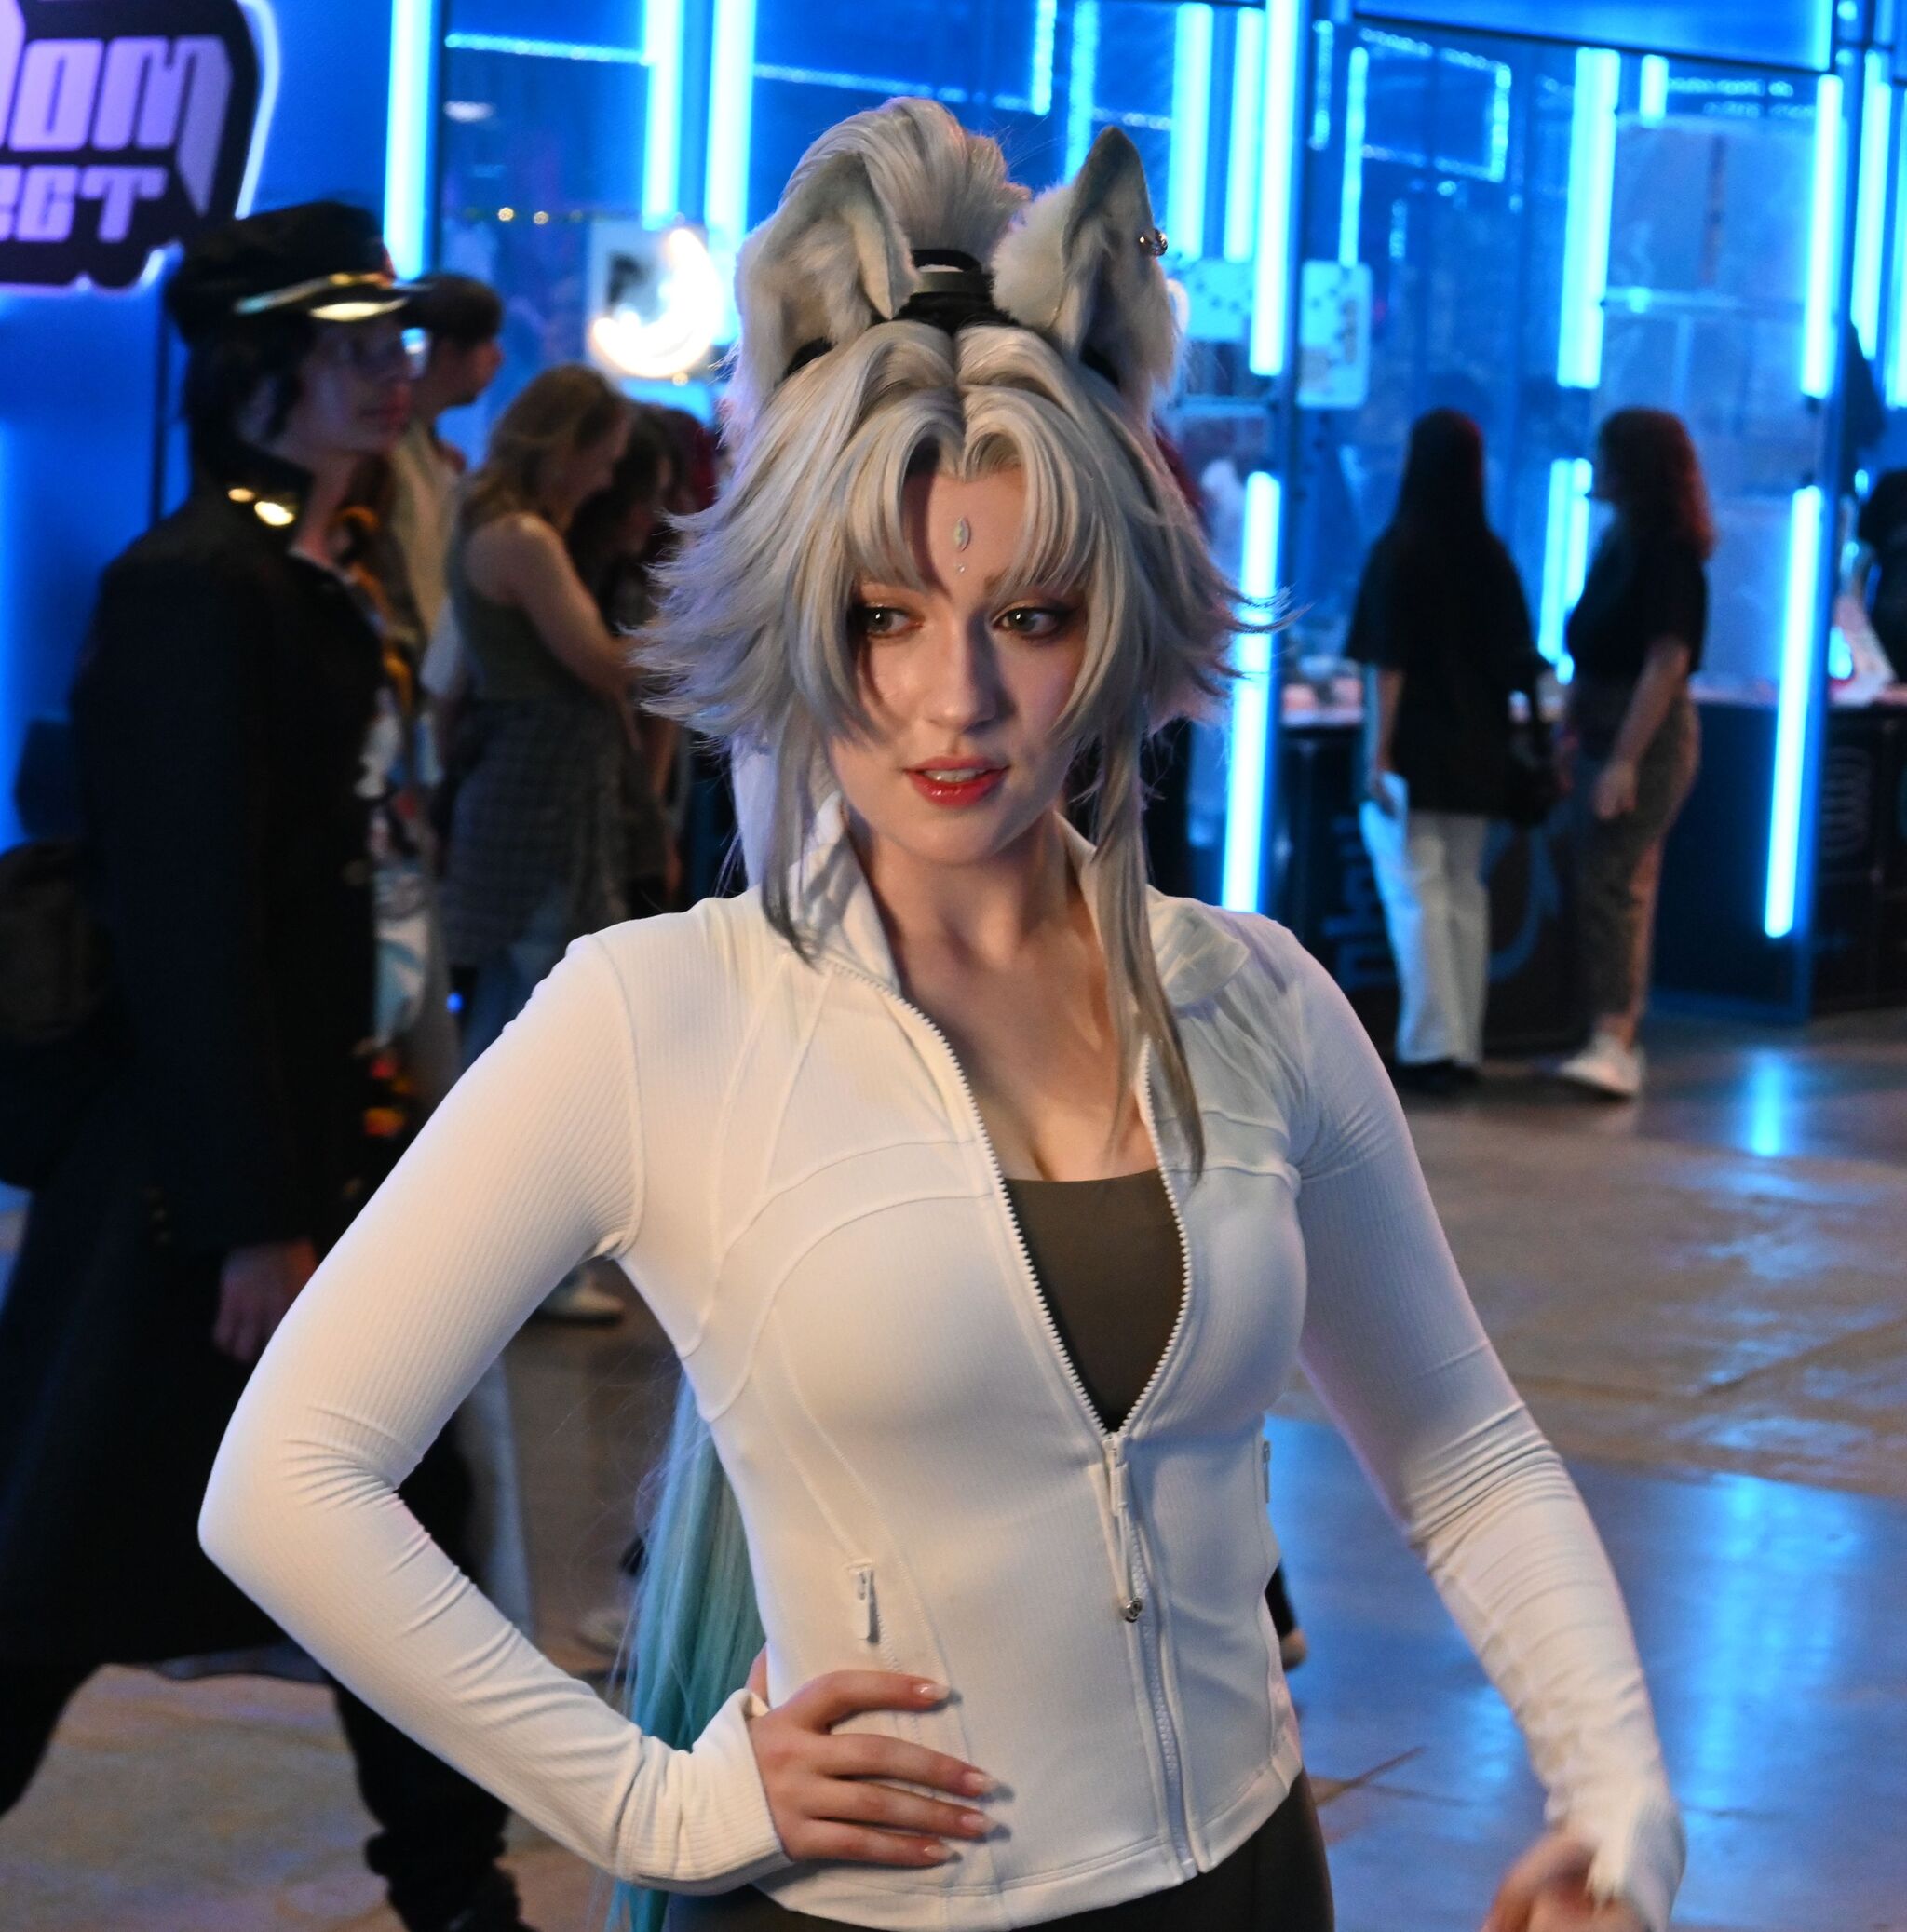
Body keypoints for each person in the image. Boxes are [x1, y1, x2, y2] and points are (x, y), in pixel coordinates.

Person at [200, 104, 1684, 1932]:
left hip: (1243, 1880)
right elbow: (287, 1477)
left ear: (1114, 619)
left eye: (1028, 612)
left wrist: (1616, 1798)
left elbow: (1460, 1451)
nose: (956, 695)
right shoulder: (662, 1018)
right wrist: (645, 1801)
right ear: (794, 614)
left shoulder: (1252, 999)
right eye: (883, 612)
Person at [0, 202, 538, 1932]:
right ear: (259, 372)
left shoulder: (321, 570)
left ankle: (455, 1889)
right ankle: (455, 1888)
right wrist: (249, 1214)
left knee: (400, 1532)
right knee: (49, 1572)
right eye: (350, 347)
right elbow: (189, 926)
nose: (392, 372)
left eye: (393, 342)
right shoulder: (195, 588)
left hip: (318, 1161)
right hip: (196, 1195)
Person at [436, 364, 635, 1323]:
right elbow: (599, 661)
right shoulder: (522, 538)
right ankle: (513, 1264)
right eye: (602, 458)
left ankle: (481, 1256)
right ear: (565, 447)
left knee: (508, 1025)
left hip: (524, 785)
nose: (606, 479)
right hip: (540, 794)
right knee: (533, 1034)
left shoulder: (491, 524)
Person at [1345, 410, 1544, 1094]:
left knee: (1417, 896)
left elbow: (1387, 663)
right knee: (1464, 893)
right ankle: (1464, 1045)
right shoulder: (1492, 557)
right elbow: (1519, 659)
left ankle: (1430, 1046)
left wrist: (1377, 752)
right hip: (1480, 752)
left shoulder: (1399, 552)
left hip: (1416, 752)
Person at [1556, 410, 1711, 1101]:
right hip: (1607, 724)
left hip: (1640, 733)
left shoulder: (1666, 552)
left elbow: (1665, 661)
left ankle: (1615, 1034)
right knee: (1608, 877)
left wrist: (1624, 758)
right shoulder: (1622, 541)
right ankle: (1608, 1030)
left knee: (1615, 879)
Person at [389, 272, 507, 646]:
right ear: (447, 352)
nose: (499, 357)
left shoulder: (437, 451)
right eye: (486, 341)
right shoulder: (387, 450)